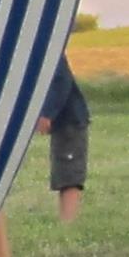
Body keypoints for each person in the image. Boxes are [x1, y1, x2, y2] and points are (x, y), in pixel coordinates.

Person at [34, 56, 90, 220]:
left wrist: (47, 113)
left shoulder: (48, 49)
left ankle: (68, 223)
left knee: (68, 175)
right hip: (57, 118)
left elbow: (60, 79)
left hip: (68, 118)